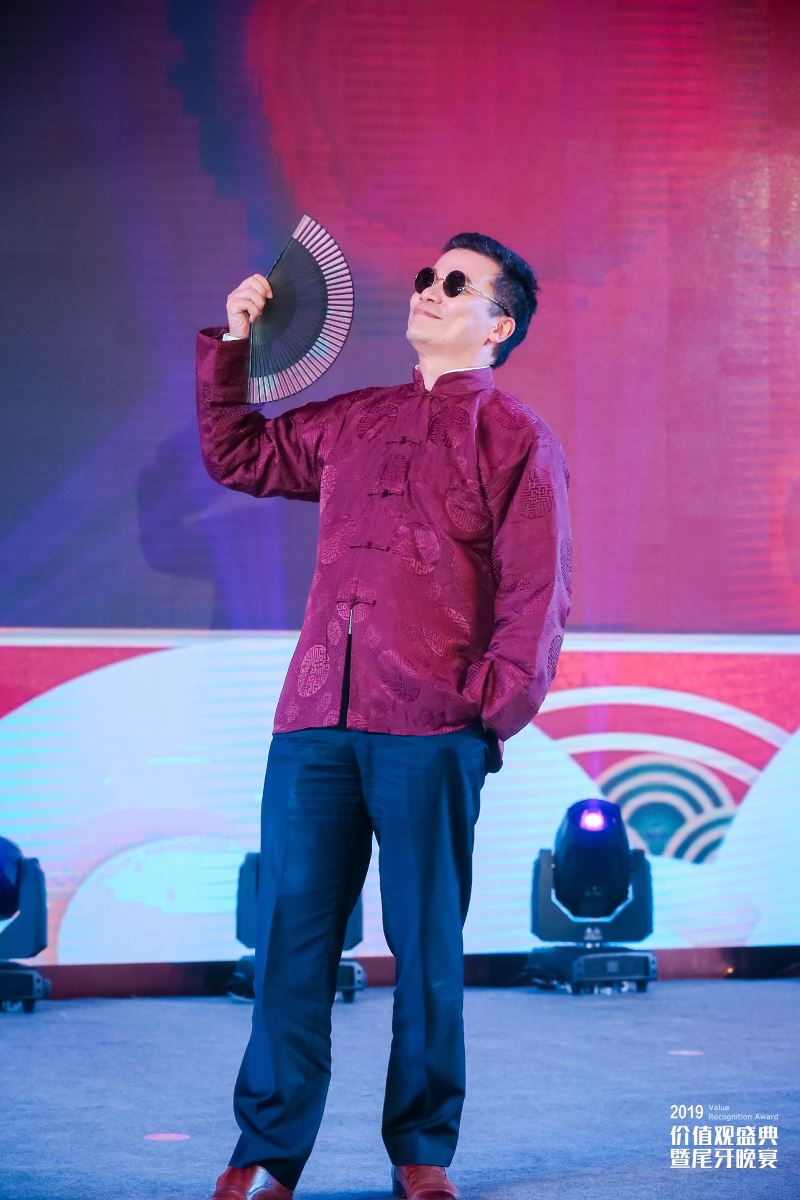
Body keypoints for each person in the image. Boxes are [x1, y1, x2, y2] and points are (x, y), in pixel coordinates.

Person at [197, 232, 573, 1200]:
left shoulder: (514, 435)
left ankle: (422, 1151)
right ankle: (266, 1153)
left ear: (497, 325)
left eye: (455, 283)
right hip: (314, 720)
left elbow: (537, 592)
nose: (428, 290)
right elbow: (238, 453)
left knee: (426, 946)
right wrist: (235, 344)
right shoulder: (355, 417)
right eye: (424, 277)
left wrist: (484, 711)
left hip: (432, 728)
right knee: (290, 942)